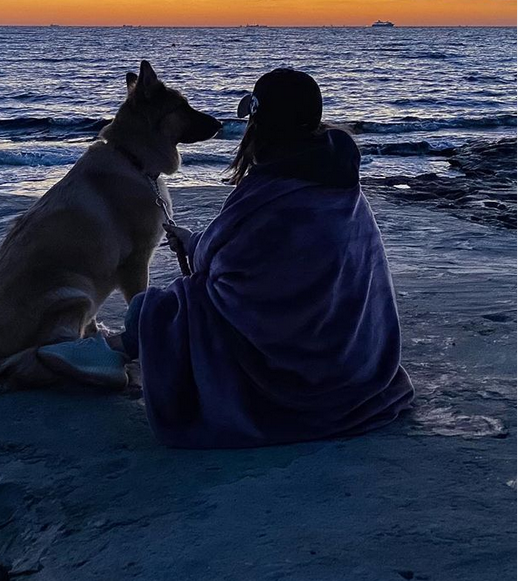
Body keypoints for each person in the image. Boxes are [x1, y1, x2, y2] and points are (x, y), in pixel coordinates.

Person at [108, 67, 415, 448]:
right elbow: (248, 255)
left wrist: (193, 246)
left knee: (150, 311)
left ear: (261, 125)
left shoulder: (265, 193)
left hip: (291, 371)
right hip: (351, 361)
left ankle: (108, 352)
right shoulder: (340, 180)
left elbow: (222, 265)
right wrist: (193, 242)